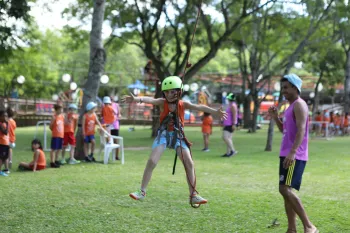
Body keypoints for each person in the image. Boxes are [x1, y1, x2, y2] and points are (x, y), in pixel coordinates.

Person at [122, 76, 227, 206]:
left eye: (172, 91)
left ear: (179, 91)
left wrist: (215, 112)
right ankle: (142, 192)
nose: (169, 94)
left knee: (189, 162)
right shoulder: (162, 102)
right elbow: (151, 100)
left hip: (178, 136)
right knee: (152, 161)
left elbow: (199, 107)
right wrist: (137, 99)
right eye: (166, 92)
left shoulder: (183, 104)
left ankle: (193, 194)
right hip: (163, 135)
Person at [268, 74, 318, 233]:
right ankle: (291, 229)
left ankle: (309, 226)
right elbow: (285, 130)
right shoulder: (290, 107)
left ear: (296, 88)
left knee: (284, 189)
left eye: (286, 87)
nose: (284, 91)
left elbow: (302, 130)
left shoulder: (299, 105)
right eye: (282, 88)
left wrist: (293, 152)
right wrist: (276, 118)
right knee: (285, 191)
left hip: (295, 154)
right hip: (287, 153)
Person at [221, 93, 238, 157]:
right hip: (228, 123)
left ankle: (233, 150)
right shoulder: (231, 105)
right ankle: (228, 152)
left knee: (225, 137)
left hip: (230, 124)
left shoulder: (233, 105)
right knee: (229, 138)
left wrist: (234, 124)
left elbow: (234, 115)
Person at [49, 104, 64, 168]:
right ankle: (52, 162)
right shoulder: (54, 117)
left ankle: (56, 160)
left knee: (59, 148)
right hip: (55, 135)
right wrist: (54, 130)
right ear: (57, 110)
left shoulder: (62, 116)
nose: (61, 110)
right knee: (54, 149)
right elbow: (50, 126)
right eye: (60, 109)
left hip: (61, 135)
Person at [0, 109, 9, 177]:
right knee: (1, 158)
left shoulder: (3, 123)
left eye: (6, 116)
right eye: (4, 116)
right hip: (1, 143)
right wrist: (7, 124)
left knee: (4, 157)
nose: (5, 117)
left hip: (6, 143)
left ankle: (5, 169)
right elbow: (5, 132)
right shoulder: (0, 124)